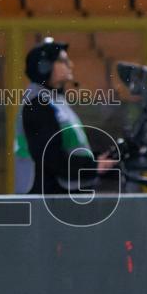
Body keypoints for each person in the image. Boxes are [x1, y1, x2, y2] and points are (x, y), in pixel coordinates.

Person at [14, 37, 116, 195]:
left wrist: (95, 161)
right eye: (62, 61)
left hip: (59, 195)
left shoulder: (52, 101)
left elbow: (68, 149)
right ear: (44, 67)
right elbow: (52, 158)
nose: (70, 65)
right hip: (47, 198)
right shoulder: (38, 104)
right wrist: (93, 167)